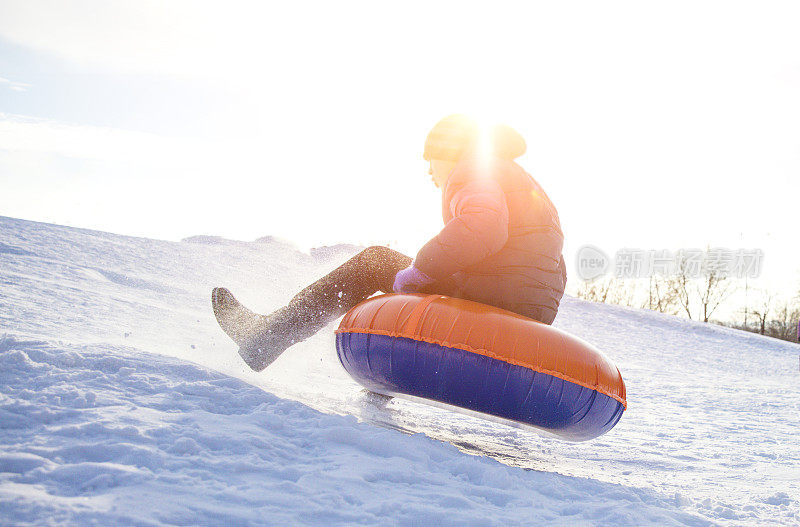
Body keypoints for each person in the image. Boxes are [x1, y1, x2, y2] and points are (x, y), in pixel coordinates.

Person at [212, 114, 566, 371]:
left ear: (449, 153)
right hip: (534, 308)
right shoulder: (520, 181)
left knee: (374, 263)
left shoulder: (473, 169)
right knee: (404, 282)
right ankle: (385, 381)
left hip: (492, 294)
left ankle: (263, 338)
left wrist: (421, 271)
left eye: (431, 160)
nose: (430, 172)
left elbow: (484, 228)